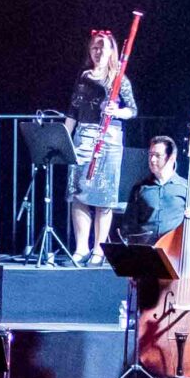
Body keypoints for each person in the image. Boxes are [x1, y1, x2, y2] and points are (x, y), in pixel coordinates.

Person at [64, 28, 137, 266]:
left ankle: (98, 249)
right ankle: (81, 248)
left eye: (102, 48)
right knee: (78, 194)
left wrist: (117, 111)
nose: (97, 51)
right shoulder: (83, 77)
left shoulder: (119, 78)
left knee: (104, 197)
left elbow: (132, 110)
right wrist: (64, 138)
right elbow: (73, 110)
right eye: (94, 47)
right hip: (83, 137)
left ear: (111, 51)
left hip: (109, 139)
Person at [121, 135, 190, 241]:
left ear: (171, 158)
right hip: (146, 248)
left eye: (158, 155)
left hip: (174, 248)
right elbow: (128, 226)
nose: (152, 159)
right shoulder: (139, 188)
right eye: (150, 155)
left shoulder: (186, 188)